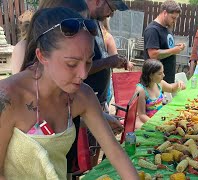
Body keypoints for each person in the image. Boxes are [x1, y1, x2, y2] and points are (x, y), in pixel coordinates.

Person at [0, 7, 139, 179]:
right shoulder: (8, 97)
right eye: (72, 64)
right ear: (42, 56)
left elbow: (115, 153)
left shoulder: (83, 96)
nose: (83, 74)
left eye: (89, 62)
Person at [143, 0, 185, 83]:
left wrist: (177, 47)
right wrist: (173, 51)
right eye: (173, 18)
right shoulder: (152, 30)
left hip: (167, 78)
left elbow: (164, 46)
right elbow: (153, 54)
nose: (174, 21)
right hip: (156, 81)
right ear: (165, 13)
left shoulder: (166, 28)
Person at [136, 59, 186, 128]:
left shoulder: (159, 83)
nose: (163, 75)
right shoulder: (141, 90)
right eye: (160, 73)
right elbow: (142, 115)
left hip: (159, 117)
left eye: (163, 72)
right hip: (147, 121)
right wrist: (155, 124)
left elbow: (171, 88)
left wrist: (179, 84)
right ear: (150, 75)